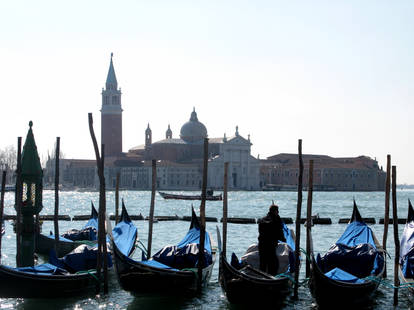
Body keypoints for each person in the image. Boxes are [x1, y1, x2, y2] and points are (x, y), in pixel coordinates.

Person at [258, 204, 286, 275]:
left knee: (263, 264)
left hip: (261, 245)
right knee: (273, 265)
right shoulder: (276, 220)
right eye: (277, 211)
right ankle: (272, 279)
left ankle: (262, 278)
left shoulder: (262, 219)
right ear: (275, 211)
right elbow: (280, 234)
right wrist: (284, 239)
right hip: (270, 246)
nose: (278, 212)